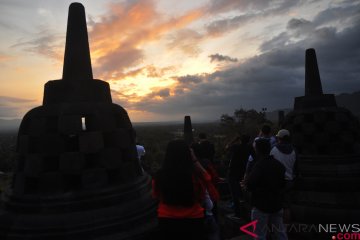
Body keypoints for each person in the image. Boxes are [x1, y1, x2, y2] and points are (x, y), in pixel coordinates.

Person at [152, 140, 216, 240]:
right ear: (189, 155)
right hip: (193, 219)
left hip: (166, 220)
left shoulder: (159, 176)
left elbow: (156, 195)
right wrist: (195, 161)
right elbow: (207, 188)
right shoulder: (195, 176)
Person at [245, 138, 288, 240]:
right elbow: (283, 184)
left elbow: (250, 184)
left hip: (261, 205)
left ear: (258, 150)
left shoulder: (259, 166)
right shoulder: (279, 165)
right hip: (277, 204)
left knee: (259, 234)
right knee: (280, 232)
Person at [270, 129, 297, 223]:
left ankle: (276, 228)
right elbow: (296, 166)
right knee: (286, 206)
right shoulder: (294, 150)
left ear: (279, 138)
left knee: (275, 205)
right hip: (289, 181)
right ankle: (286, 228)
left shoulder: (274, 149)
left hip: (277, 181)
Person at [226, 134, 253, 217]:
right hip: (243, 171)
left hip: (233, 171)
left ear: (240, 140)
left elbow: (227, 147)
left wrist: (234, 140)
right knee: (241, 192)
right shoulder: (249, 147)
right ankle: (243, 211)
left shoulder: (236, 147)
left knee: (234, 193)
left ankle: (237, 214)